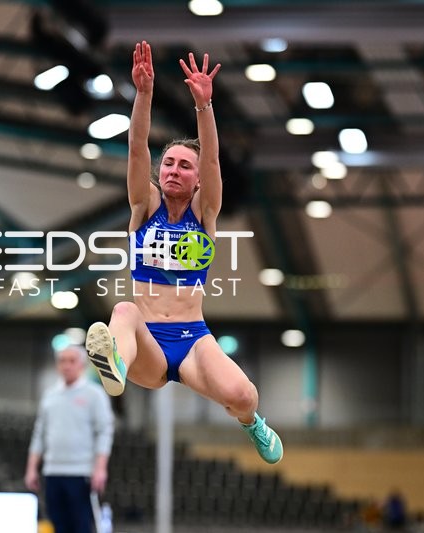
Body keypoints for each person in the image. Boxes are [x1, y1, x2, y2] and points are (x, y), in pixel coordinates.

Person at [85, 41, 283, 464]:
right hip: (147, 346)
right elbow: (137, 148)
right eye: (169, 163)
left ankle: (252, 423)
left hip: (193, 340)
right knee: (122, 310)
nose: (174, 169)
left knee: (243, 395)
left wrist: (204, 107)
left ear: (196, 182)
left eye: (184, 166)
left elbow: (213, 161)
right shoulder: (144, 208)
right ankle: (114, 363)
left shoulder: (204, 213)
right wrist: (143, 94)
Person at [25, 345, 115, 533]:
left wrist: (100, 468)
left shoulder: (95, 394)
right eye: (62, 361)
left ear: (82, 365)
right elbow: (39, 434)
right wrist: (32, 468)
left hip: (80, 474)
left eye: (71, 361)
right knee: (58, 525)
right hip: (52, 472)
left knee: (81, 526)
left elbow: (104, 432)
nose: (67, 365)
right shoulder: (50, 396)